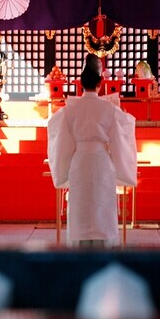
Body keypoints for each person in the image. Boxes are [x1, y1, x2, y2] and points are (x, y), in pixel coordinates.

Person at [47, 54, 137, 247]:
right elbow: (123, 133)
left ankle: (79, 255)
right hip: (102, 162)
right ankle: (103, 253)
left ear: (80, 82)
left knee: (81, 207)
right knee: (101, 206)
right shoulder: (109, 108)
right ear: (101, 81)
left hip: (78, 162)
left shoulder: (70, 109)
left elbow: (58, 135)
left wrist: (62, 170)